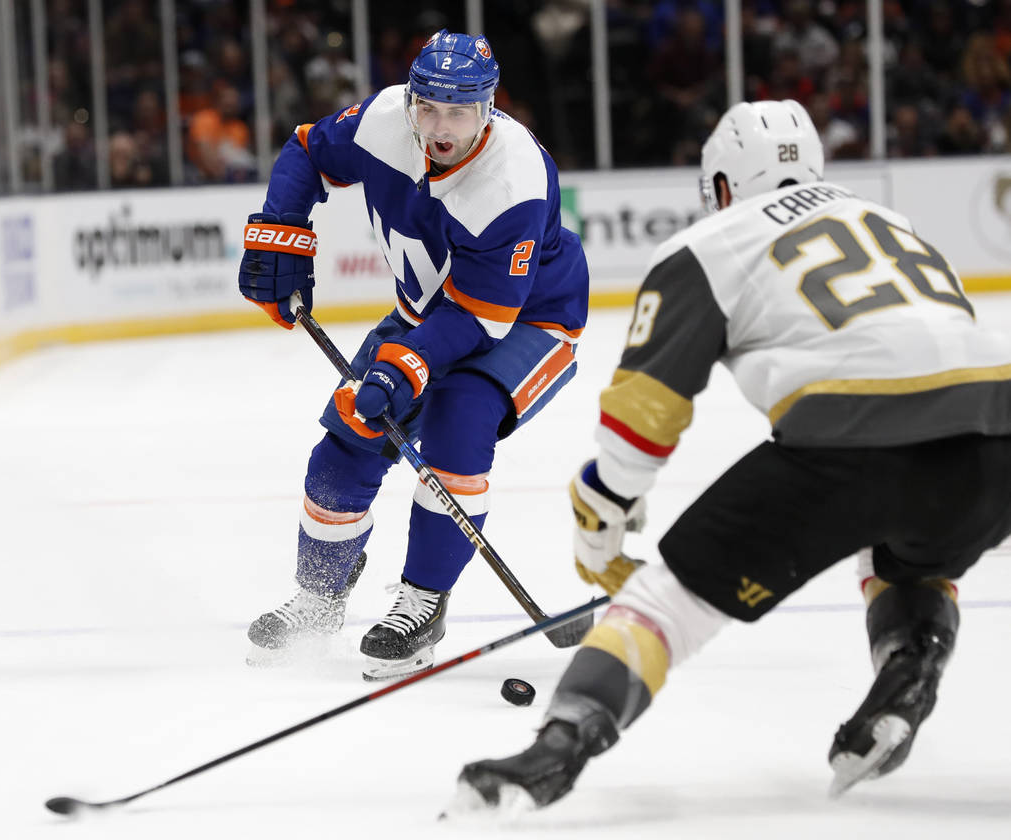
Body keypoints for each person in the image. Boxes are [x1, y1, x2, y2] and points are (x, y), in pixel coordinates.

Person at [457, 99, 1011, 807]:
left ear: (722, 187)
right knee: (911, 548)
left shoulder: (709, 243)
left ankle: (555, 747)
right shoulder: (891, 221)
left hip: (851, 435)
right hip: (997, 426)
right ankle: (914, 660)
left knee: (663, 605)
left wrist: (602, 521)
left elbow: (641, 420)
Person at [238, 30, 589, 680]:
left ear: (488, 107)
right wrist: (281, 235)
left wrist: (405, 365)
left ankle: (422, 604)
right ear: (412, 101)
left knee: (459, 416)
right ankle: (318, 600)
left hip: (527, 318)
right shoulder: (381, 120)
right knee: (346, 438)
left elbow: (481, 316)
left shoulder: (515, 178)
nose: (440, 126)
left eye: (459, 111)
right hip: (430, 310)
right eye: (428, 108)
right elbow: (307, 149)